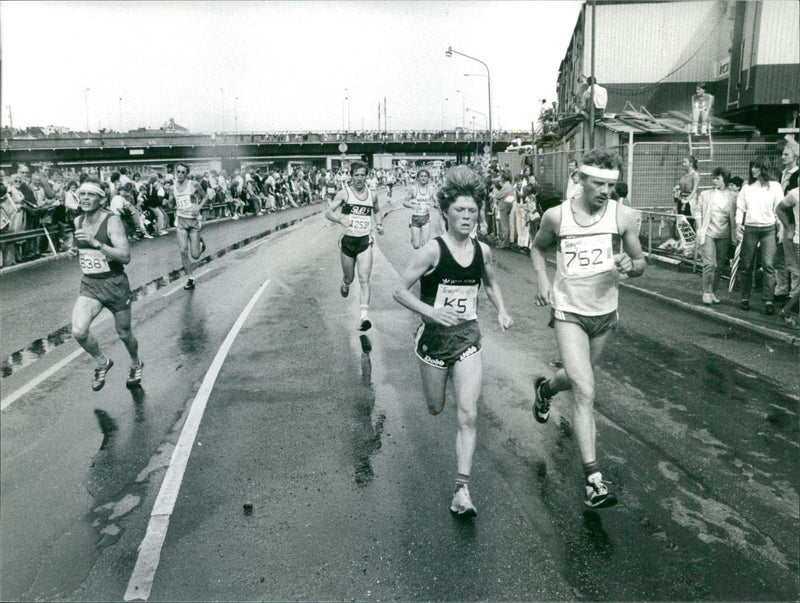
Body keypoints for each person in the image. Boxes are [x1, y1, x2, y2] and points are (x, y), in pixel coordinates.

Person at [393, 165, 513, 517]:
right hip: (433, 339)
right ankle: (436, 380)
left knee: (468, 413)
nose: (466, 216)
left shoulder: (483, 251)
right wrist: (430, 313)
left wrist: (502, 310)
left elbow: (490, 283)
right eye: (459, 210)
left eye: (472, 210)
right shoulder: (432, 251)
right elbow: (399, 291)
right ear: (445, 212)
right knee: (436, 407)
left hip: (466, 337)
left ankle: (462, 490)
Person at [530, 149, 645, 509]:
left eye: (611, 185)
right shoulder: (556, 216)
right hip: (569, 313)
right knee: (586, 390)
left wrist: (632, 263)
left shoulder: (623, 216)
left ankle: (546, 389)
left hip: (605, 314)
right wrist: (542, 280)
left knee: (578, 379)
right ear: (580, 179)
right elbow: (536, 249)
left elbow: (641, 261)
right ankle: (594, 480)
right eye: (599, 184)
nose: (605, 191)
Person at [70, 180, 143, 391]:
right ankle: (102, 362)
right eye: (81, 194)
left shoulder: (112, 221)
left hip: (114, 283)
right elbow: (82, 246)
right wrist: (75, 249)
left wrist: (97, 243)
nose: (84, 198)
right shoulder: (77, 221)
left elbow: (125, 256)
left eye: (90, 195)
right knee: (78, 331)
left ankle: (135, 362)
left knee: (124, 333)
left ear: (101, 200)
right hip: (90, 284)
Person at [325, 161, 384, 331]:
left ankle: (364, 317)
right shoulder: (344, 194)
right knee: (349, 278)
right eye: (356, 175)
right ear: (351, 176)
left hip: (365, 242)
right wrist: (340, 219)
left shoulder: (372, 195)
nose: (359, 178)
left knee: (364, 278)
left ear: (367, 176)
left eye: (362, 175)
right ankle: (345, 284)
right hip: (348, 242)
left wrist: (378, 224)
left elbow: (377, 210)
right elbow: (328, 212)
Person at [735, 157, 784, 314]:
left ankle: (768, 301)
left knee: (769, 265)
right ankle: (745, 298)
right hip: (750, 229)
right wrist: (737, 226)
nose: (753, 170)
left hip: (769, 229)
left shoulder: (775, 187)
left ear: (764, 168)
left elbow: (779, 209)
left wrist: (781, 228)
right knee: (746, 265)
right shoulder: (747, 187)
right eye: (752, 167)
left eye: (756, 167)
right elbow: (740, 208)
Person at [695, 167, 737, 304]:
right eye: (714, 178)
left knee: (719, 265)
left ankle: (713, 291)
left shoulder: (733, 196)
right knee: (709, 264)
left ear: (725, 179)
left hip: (724, 234)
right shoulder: (705, 194)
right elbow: (697, 211)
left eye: (718, 178)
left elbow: (737, 214)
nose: (715, 180)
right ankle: (706, 292)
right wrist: (700, 228)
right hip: (708, 232)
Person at [169, 162, 207, 290]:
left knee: (195, 255)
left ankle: (200, 244)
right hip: (181, 221)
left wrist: (199, 207)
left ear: (186, 174)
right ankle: (190, 278)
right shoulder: (172, 187)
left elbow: (205, 196)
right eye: (178, 172)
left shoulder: (194, 184)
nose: (180, 174)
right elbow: (170, 204)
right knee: (183, 251)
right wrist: (168, 202)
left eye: (182, 172)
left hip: (193, 221)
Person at [776, 186, 799, 328]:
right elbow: (779, 209)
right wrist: (788, 226)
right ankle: (787, 311)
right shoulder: (795, 193)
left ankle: (786, 311)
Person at [402, 167, 437, 249]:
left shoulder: (431, 189)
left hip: (426, 218)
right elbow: (404, 202)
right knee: (416, 246)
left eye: (425, 176)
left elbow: (436, 202)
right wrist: (413, 206)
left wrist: (434, 204)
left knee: (425, 245)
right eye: (421, 176)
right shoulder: (413, 189)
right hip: (415, 219)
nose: (423, 178)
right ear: (417, 178)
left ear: (428, 178)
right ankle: (414, 240)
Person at [674, 156, 700, 225]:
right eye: (683, 162)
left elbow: (694, 190)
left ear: (691, 163)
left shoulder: (695, 175)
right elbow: (682, 186)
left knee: (689, 223)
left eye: (685, 162)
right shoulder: (684, 175)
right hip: (681, 201)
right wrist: (677, 187)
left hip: (689, 203)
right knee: (680, 222)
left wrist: (687, 200)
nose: (683, 164)